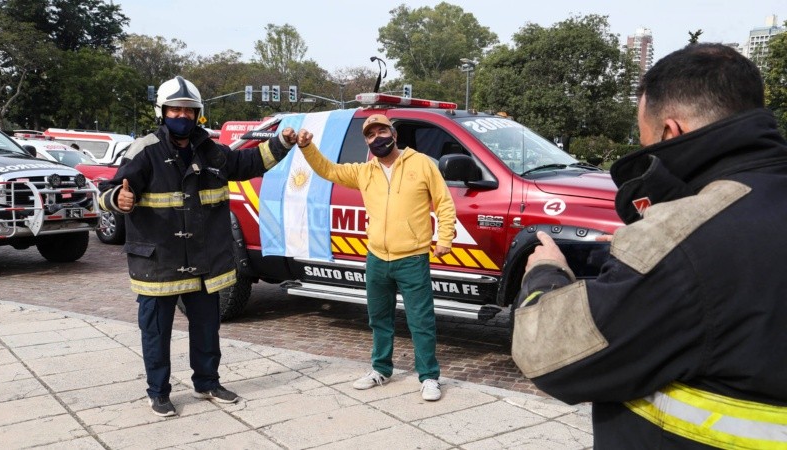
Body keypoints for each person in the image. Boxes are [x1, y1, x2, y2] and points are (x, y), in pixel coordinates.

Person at [513, 43, 787, 448]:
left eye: (645, 142)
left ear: (670, 132)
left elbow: (547, 352)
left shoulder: (681, 239)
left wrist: (546, 272)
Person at [99, 76, 297, 417]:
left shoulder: (211, 151)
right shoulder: (144, 151)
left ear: (198, 114)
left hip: (205, 260)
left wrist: (281, 143)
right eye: (176, 109)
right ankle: (158, 392)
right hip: (159, 261)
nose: (183, 116)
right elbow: (108, 191)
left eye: (189, 111)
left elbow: (245, 164)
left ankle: (207, 383)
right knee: (156, 331)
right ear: (162, 111)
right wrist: (118, 198)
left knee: (207, 328)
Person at [293, 114, 456, 401]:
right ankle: (381, 369)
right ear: (367, 142)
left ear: (394, 134)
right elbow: (328, 170)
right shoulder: (363, 172)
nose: (377, 138)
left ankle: (429, 377)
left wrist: (445, 238)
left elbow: (444, 202)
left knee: (421, 321)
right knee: (379, 319)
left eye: (382, 132)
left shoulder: (421, 164)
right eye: (371, 135)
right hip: (377, 258)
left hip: (413, 258)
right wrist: (307, 148)